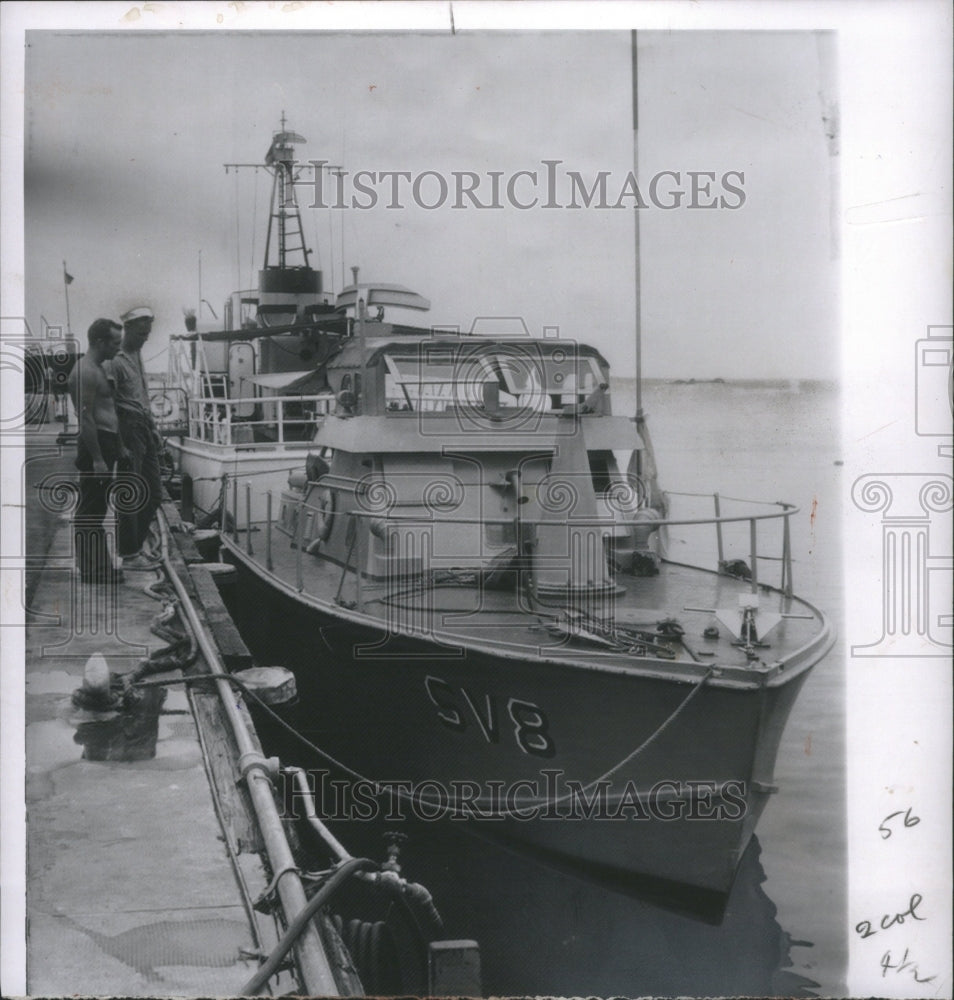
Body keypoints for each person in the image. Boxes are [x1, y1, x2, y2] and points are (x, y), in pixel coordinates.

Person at [67, 318, 126, 584]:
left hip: (107, 443)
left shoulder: (98, 368)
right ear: (100, 341)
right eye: (115, 343)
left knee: (98, 507)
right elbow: (87, 419)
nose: (118, 348)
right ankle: (93, 571)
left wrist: (120, 445)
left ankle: (99, 567)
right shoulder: (84, 372)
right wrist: (99, 458)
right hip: (96, 446)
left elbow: (108, 410)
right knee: (90, 509)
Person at [110, 305, 163, 568]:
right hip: (128, 426)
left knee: (154, 493)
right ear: (128, 328)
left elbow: (142, 394)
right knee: (130, 491)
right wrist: (120, 443)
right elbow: (109, 405)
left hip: (143, 424)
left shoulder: (137, 355)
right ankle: (129, 552)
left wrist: (153, 427)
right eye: (141, 333)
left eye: (147, 334)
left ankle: (135, 545)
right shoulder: (116, 360)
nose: (145, 338)